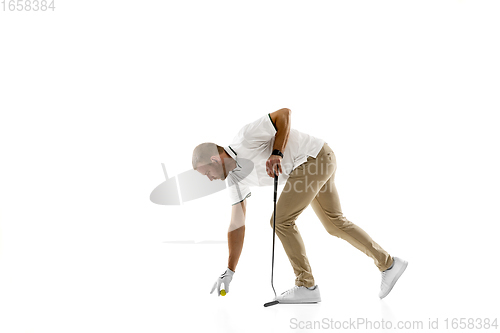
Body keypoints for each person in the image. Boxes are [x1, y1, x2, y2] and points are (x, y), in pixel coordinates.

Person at [192, 108, 408, 303]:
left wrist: (277, 153)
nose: (210, 179)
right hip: (316, 162)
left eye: (207, 173)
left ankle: (306, 285)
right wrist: (230, 270)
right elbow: (237, 224)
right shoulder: (234, 179)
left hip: (314, 158)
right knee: (335, 223)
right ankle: (389, 264)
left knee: (281, 221)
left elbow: (283, 114)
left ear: (215, 159)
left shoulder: (245, 138)